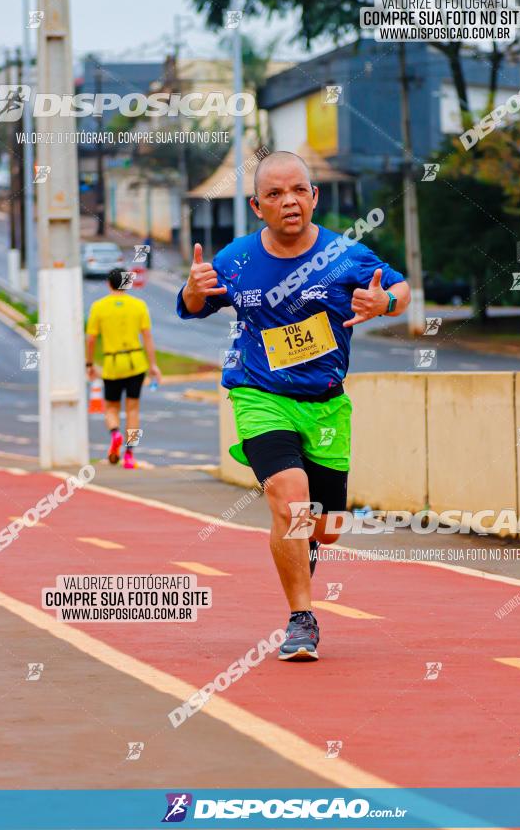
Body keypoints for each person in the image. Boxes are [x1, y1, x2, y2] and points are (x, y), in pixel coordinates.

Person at [176, 151, 410, 660]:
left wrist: (385, 303)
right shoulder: (235, 260)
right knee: (290, 498)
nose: (289, 202)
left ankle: (304, 545)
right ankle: (301, 619)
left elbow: (400, 287)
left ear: (314, 197)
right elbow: (194, 306)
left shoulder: (345, 255)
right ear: (258, 206)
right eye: (276, 195)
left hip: (325, 404)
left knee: (326, 528)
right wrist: (194, 290)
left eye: (299, 191)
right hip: (259, 395)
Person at [86, 267, 161, 469]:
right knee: (133, 409)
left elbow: (91, 339)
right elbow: (147, 337)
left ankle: (115, 433)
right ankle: (129, 455)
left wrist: (90, 364)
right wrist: (153, 365)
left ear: (108, 284)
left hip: (112, 363)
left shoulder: (98, 307)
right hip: (136, 362)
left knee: (111, 407)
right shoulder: (139, 305)